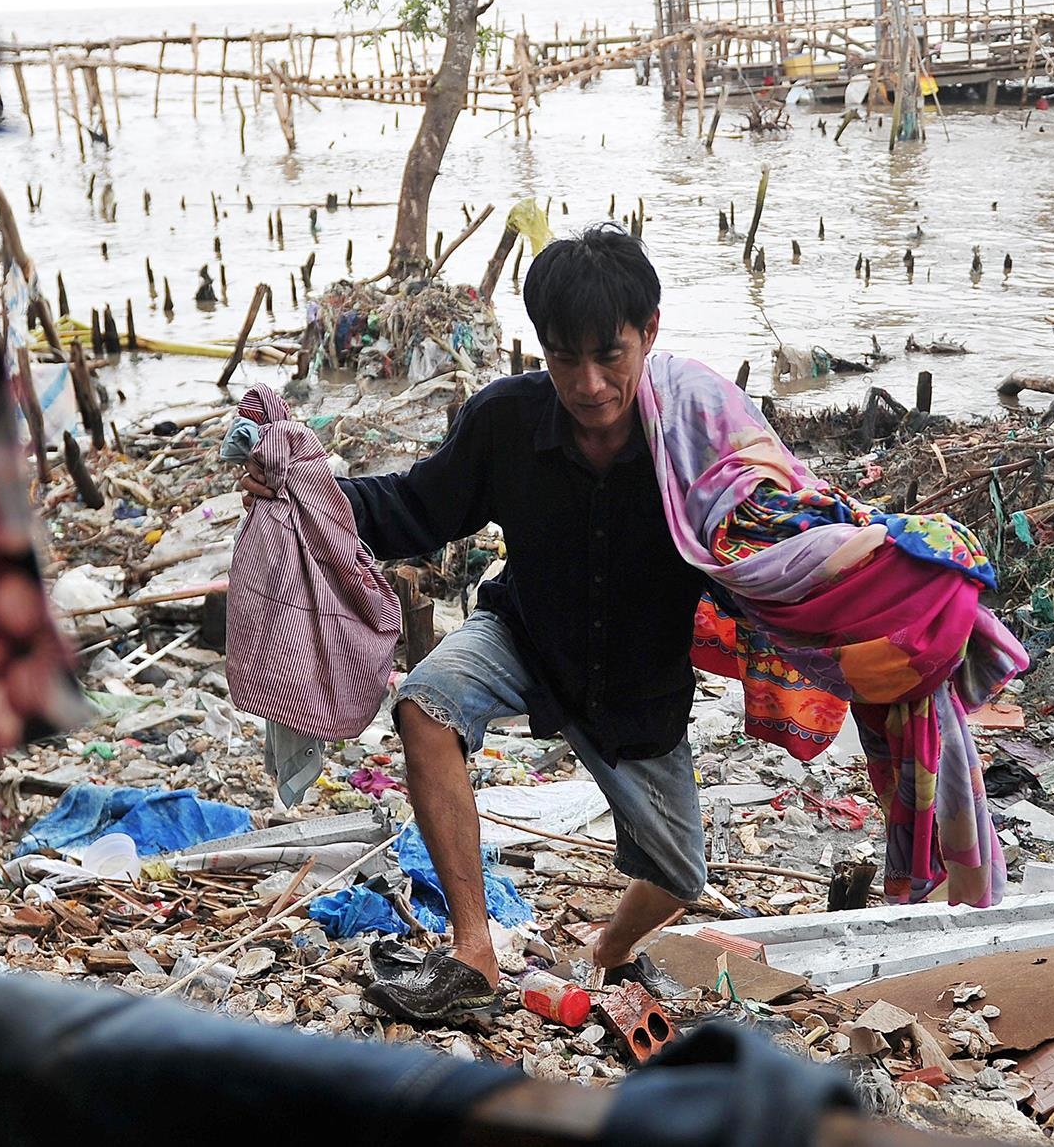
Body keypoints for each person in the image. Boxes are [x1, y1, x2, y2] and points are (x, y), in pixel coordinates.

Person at [242, 224, 707, 1022]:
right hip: (525, 636)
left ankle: (610, 950)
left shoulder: (694, 437)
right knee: (427, 702)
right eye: (565, 359)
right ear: (541, 349)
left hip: (639, 685)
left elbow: (761, 546)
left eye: (610, 356)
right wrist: (310, 496)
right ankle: (474, 955)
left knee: (679, 877)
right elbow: (418, 506)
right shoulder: (506, 423)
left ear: (650, 333)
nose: (590, 384)